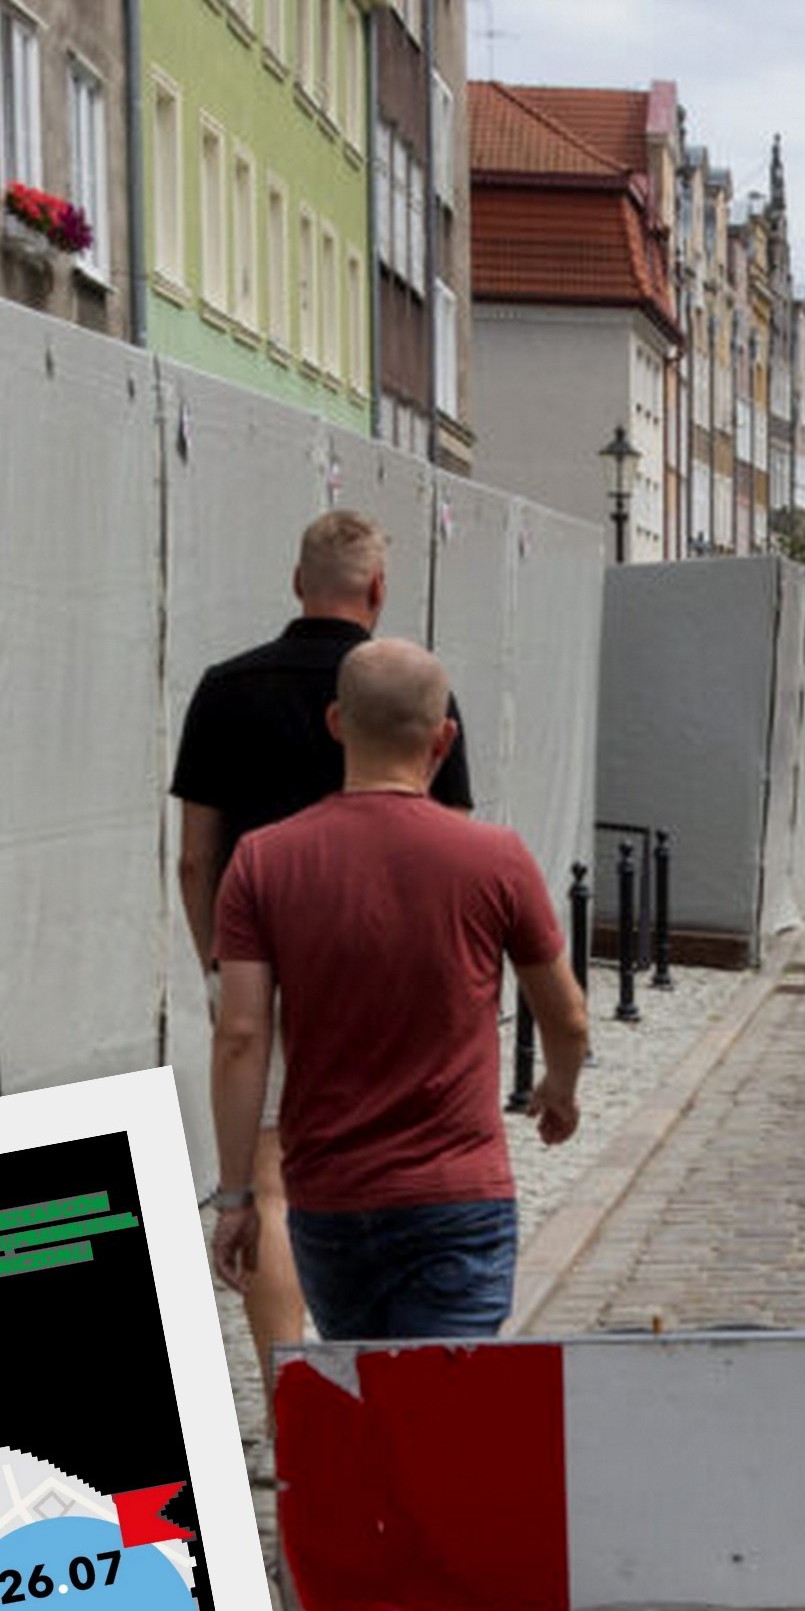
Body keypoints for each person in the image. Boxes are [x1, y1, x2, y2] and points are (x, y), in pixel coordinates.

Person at [207, 638, 592, 1611]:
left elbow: (240, 1034)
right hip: (457, 1196)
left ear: (336, 726)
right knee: (429, 1436)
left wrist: (238, 1192)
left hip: (330, 1202)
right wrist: (558, 1092)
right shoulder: (494, 857)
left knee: (385, 1421)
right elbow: (566, 1014)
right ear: (444, 739)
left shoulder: (263, 862)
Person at [170, 511, 474, 1354]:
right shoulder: (418, 696)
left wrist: (219, 963)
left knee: (268, 1183)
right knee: (387, 1171)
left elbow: (195, 858)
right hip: (385, 976)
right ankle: (387, 1381)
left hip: (260, 966)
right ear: (378, 589)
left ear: (297, 582)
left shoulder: (225, 690)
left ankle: (290, 1406)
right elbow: (448, 851)